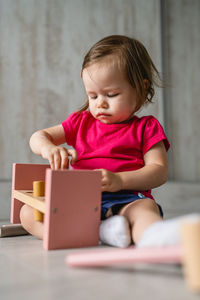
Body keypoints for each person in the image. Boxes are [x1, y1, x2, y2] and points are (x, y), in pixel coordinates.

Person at [20, 35, 199, 248]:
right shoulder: (81, 122)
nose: (100, 104)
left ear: (141, 88)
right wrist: (48, 148)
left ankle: (156, 238)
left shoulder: (146, 127)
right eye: (93, 96)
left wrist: (120, 181)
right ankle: (102, 231)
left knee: (144, 212)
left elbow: (159, 170)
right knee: (27, 212)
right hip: (80, 201)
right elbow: (38, 137)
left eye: (111, 94)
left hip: (129, 199)